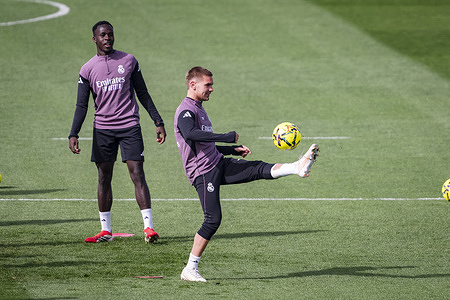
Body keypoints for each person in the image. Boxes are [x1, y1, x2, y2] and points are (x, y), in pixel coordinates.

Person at [174, 66, 319, 282]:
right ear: (192, 85)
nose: (212, 89)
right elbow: (190, 134)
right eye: (208, 85)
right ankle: (190, 268)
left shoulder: (199, 108)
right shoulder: (186, 111)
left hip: (215, 163)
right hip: (202, 172)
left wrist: (233, 150)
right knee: (213, 220)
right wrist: (226, 137)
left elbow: (205, 145)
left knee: (257, 168)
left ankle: (297, 167)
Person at [68, 21, 166, 244]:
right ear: (95, 39)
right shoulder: (87, 69)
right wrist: (73, 133)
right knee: (104, 177)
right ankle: (105, 230)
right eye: (103, 35)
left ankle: (149, 228)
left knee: (137, 173)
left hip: (129, 125)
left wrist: (157, 120)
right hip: (103, 129)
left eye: (110, 34)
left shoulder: (129, 61)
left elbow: (142, 92)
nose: (107, 38)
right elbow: (81, 105)